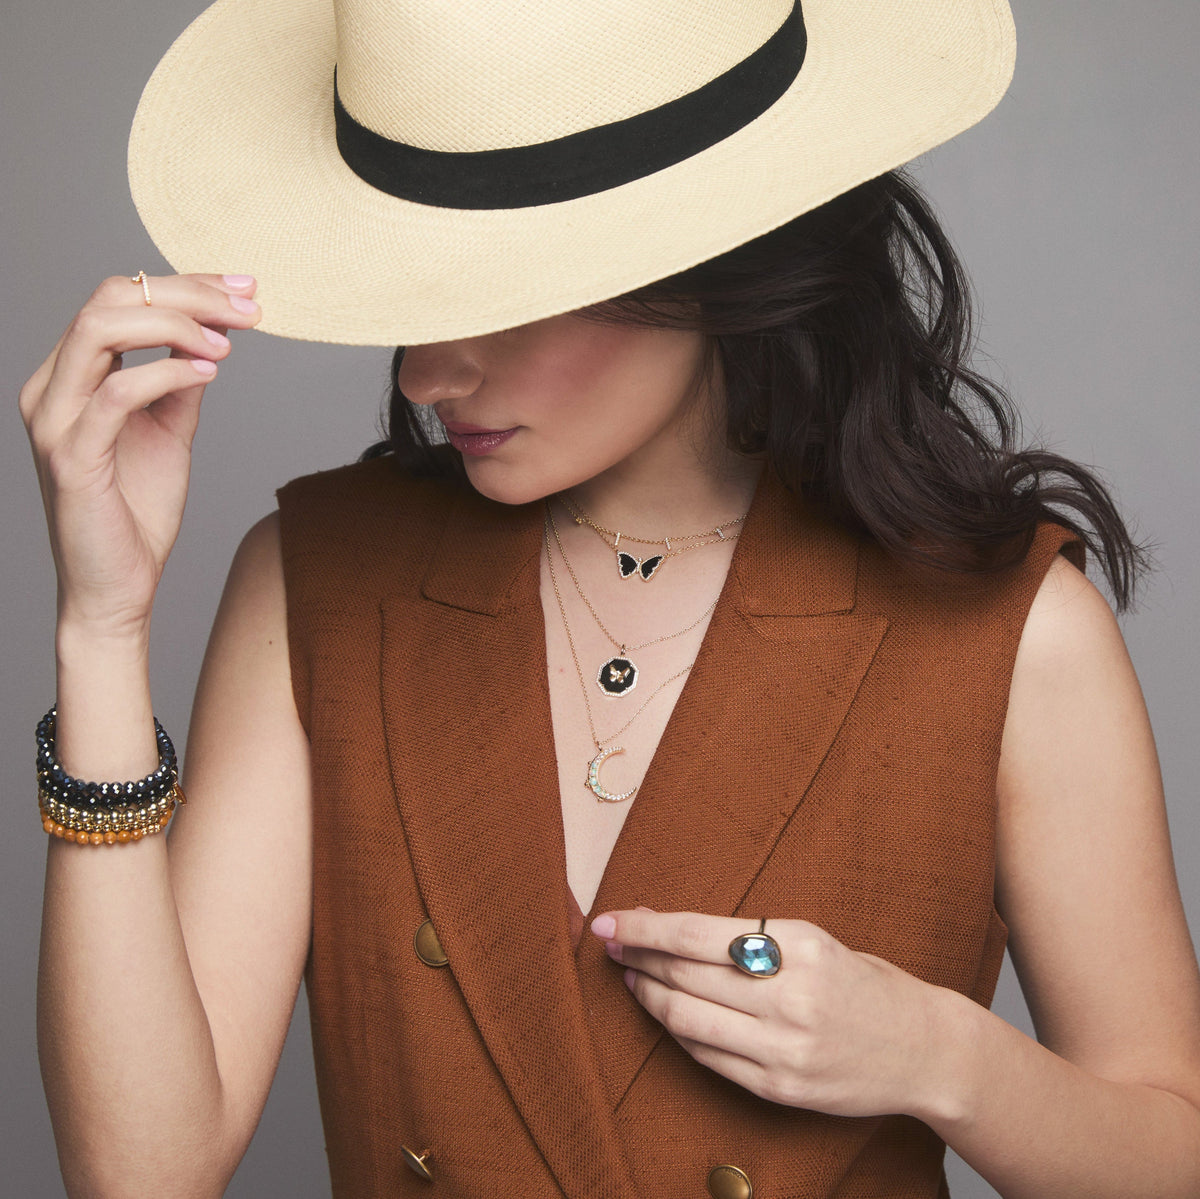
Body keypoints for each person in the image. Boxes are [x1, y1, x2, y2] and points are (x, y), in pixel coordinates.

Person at [20, 1, 1200, 1197]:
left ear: (706, 256)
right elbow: (139, 1174)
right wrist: (102, 626)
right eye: (411, 290)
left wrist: (943, 1057)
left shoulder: (1011, 633)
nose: (424, 375)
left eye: (498, 291)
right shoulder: (320, 581)